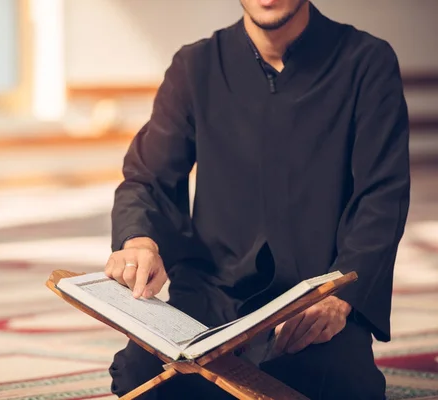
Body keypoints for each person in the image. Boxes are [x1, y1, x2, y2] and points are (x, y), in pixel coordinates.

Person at [105, 0, 410, 398]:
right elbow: (147, 179)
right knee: (139, 377)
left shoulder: (366, 62)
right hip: (209, 298)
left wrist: (339, 297)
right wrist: (139, 241)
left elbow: (382, 196)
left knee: (344, 386)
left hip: (312, 301)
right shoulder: (195, 65)